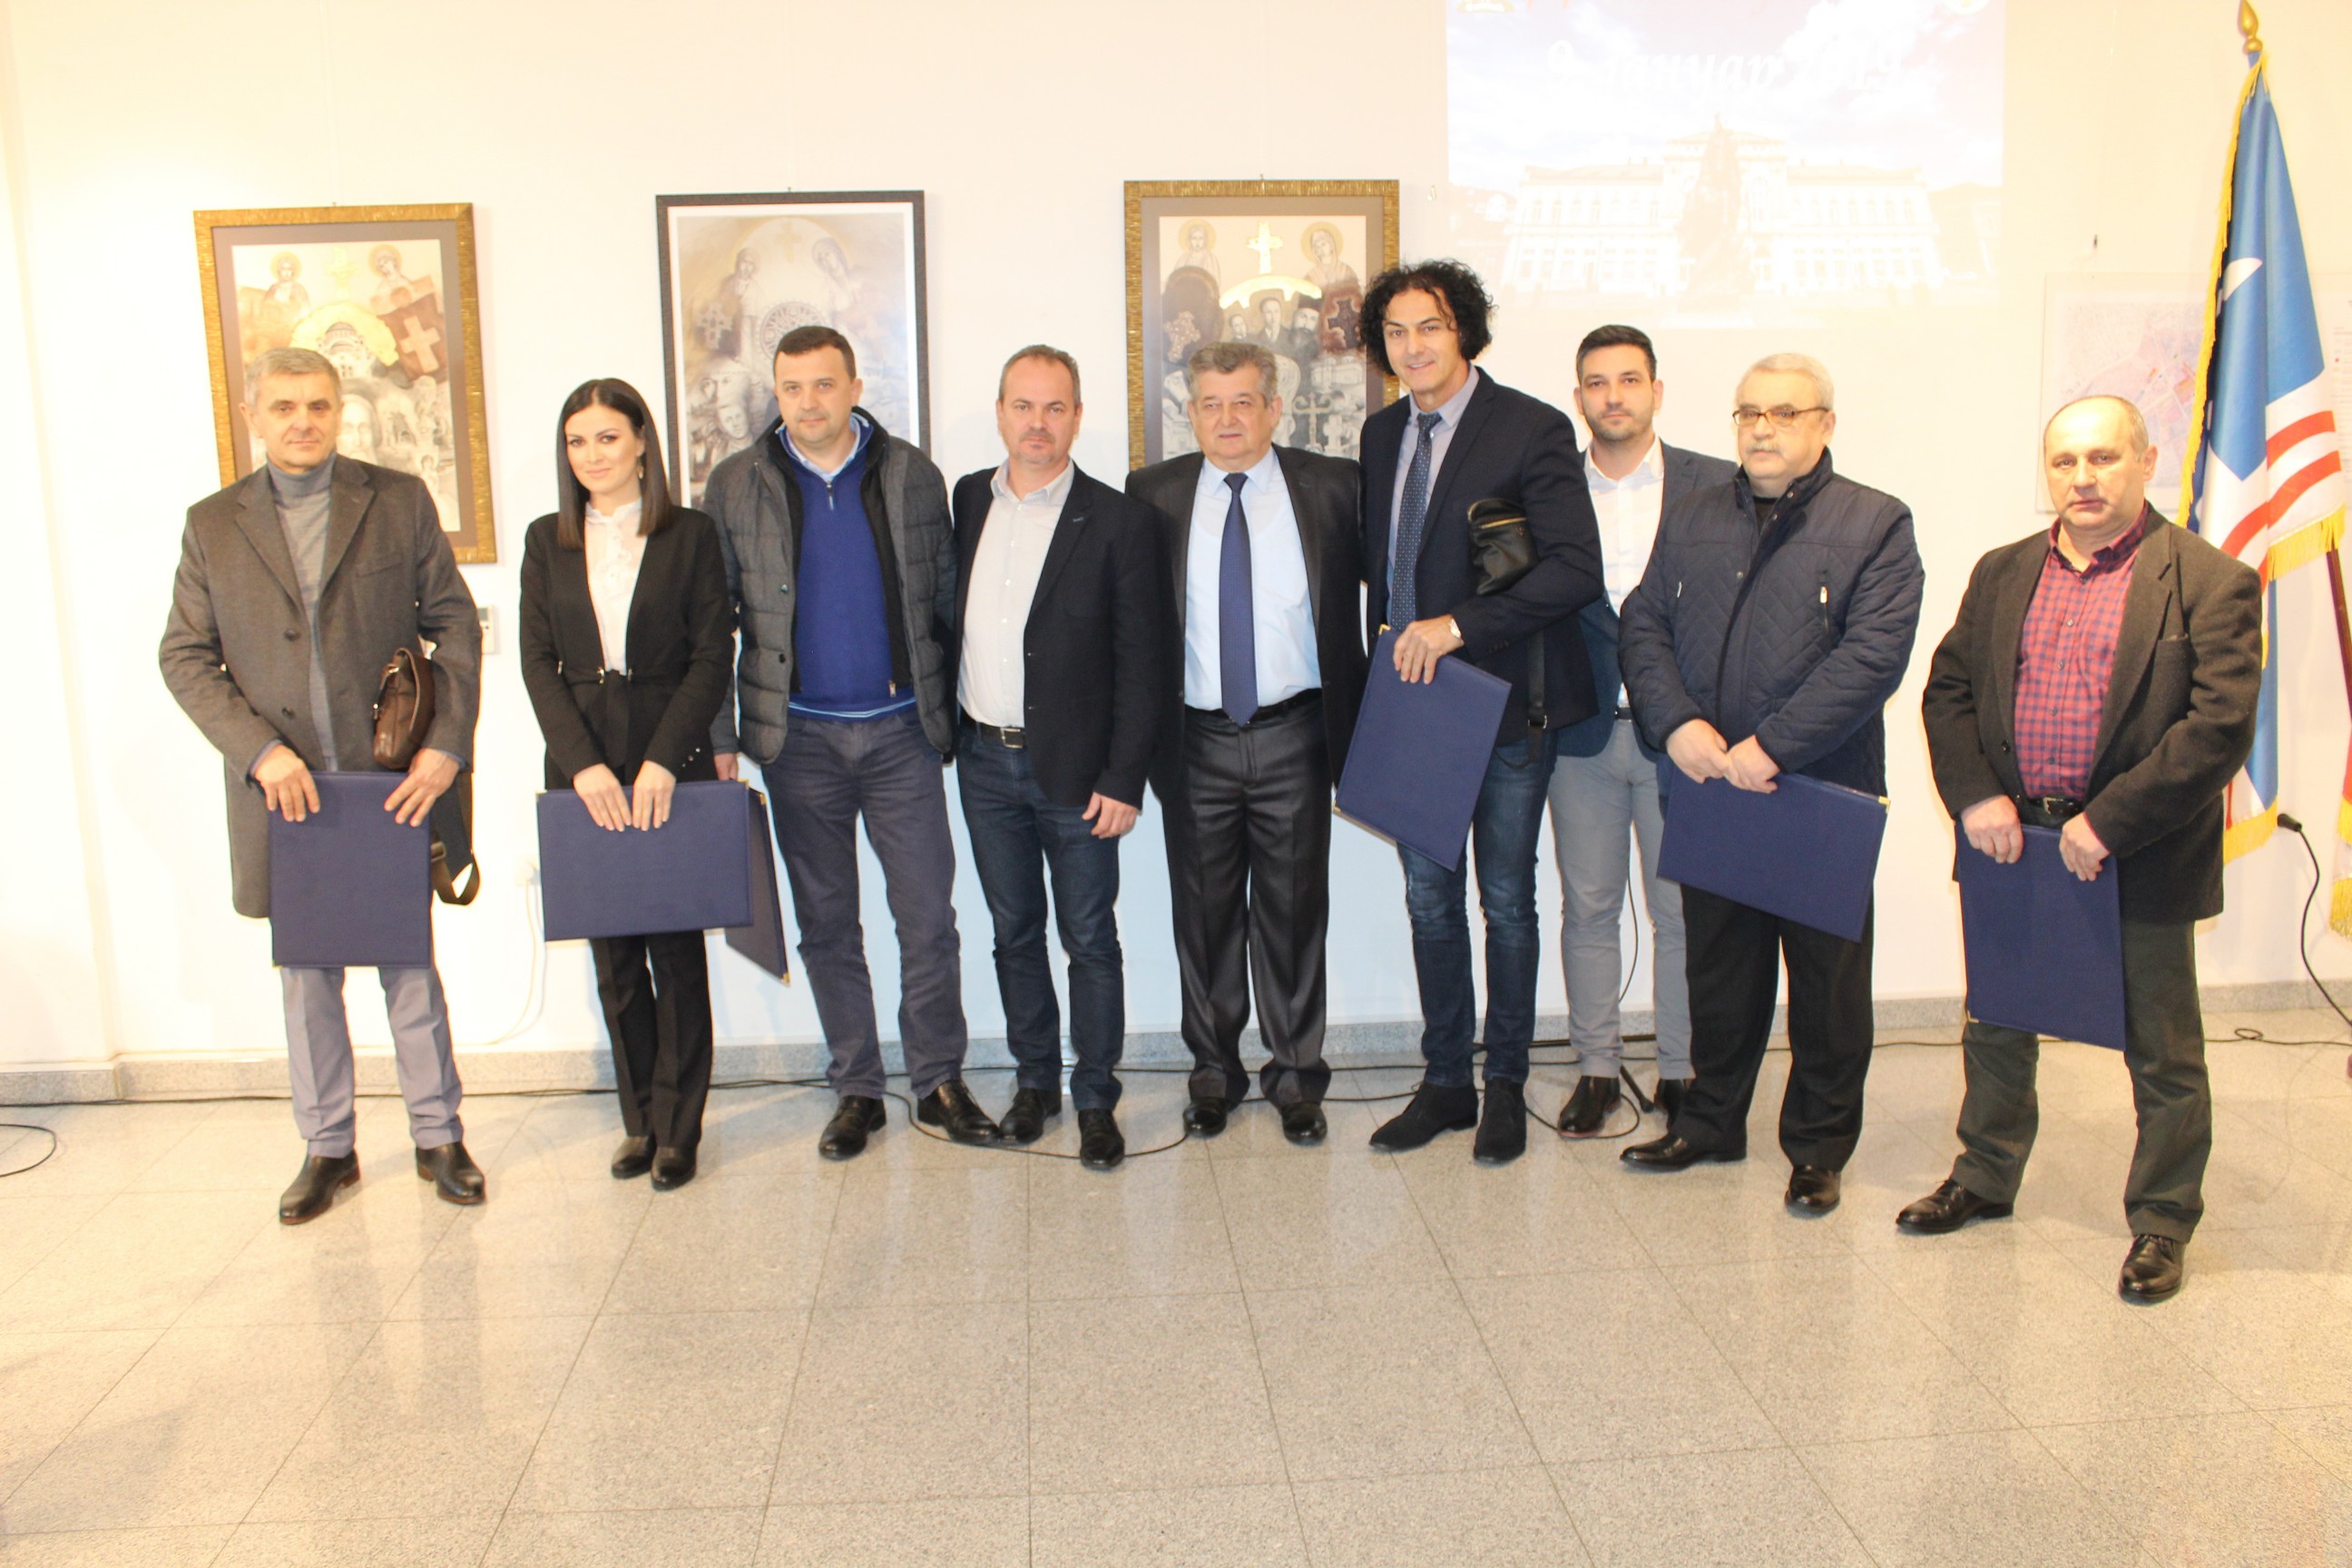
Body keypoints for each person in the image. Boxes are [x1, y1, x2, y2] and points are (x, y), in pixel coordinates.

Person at [1905, 396, 2259, 1301]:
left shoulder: (2209, 579)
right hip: (2013, 842)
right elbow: (1949, 692)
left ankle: (2163, 1219)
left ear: (2146, 461)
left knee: (2163, 1051)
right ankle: (1985, 1176)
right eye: (2065, 462)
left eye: (2103, 458)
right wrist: (1975, 795)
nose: (2083, 478)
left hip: (2137, 848)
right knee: (1997, 1024)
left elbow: (2217, 728)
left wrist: (2109, 823)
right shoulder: (2002, 571)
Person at [160, 346, 484, 1224]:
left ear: (340, 411)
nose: (303, 421)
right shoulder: (212, 525)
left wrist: (446, 746)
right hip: (287, 795)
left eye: (319, 405)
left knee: (408, 966)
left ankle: (440, 1138)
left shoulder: (398, 501)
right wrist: (258, 752)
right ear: (253, 417)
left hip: (389, 783)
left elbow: (455, 625)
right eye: (285, 407)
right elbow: (183, 656)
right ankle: (328, 1148)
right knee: (307, 979)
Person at [1616, 353, 1924, 1216]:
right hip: (1712, 782)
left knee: (1826, 985)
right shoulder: (1694, 514)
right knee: (1720, 973)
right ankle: (1711, 1123)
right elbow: (1644, 622)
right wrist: (1676, 722)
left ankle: (1818, 1150)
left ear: (1825, 425)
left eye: (1785, 413)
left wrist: (1775, 746)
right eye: (1749, 412)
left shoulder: (1876, 521)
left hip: (1819, 793)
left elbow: (1873, 657)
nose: (1762, 428)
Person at [703, 324, 995, 1157]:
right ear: (776, 393)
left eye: (824, 384)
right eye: (792, 388)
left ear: (855, 387)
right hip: (798, 743)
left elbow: (946, 601)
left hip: (902, 735)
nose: (808, 403)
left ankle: (938, 1080)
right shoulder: (736, 484)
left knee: (927, 919)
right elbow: (711, 621)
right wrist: (721, 738)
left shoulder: (910, 474)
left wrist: (955, 712)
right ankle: (858, 1087)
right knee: (828, 924)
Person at [1357, 260, 1605, 1164]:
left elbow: (1574, 569)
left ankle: (1503, 1083)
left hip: (1504, 707)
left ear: (1462, 329)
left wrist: (1457, 626)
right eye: (1395, 332)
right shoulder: (1382, 434)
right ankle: (1445, 1084)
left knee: (1505, 900)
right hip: (1411, 709)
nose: (1412, 346)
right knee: (1429, 902)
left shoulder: (1530, 428)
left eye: (1429, 326)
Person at [1129, 340, 1365, 1143]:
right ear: (1191, 414)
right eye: (1210, 404)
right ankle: (1214, 1073)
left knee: (1294, 914)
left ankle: (1296, 1077)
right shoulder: (1153, 495)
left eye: (1242, 402)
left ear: (1273, 409)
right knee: (1203, 919)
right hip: (1193, 740)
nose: (1227, 419)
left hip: (1296, 733)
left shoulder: (1332, 488)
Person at [518, 378, 734, 1191]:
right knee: (614, 959)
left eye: (607, 437)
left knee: (675, 954)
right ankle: (639, 1120)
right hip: (582, 769)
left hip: (666, 763)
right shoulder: (546, 540)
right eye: (577, 441)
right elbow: (537, 663)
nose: (592, 455)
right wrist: (582, 766)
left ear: (642, 441)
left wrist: (662, 759)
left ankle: (680, 1128)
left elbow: (712, 656)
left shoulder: (691, 535)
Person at [951, 347, 1164, 1169]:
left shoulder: (1118, 521)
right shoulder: (969, 500)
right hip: (983, 760)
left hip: (1079, 775)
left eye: (1054, 407)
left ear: (1076, 416)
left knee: (1090, 939)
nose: (1037, 424)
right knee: (1013, 934)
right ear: (1000, 412)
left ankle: (1097, 1098)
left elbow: (1142, 662)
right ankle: (1035, 1084)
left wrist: (1123, 777)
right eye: (1023, 406)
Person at [1549, 326, 1736, 1136]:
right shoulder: (1550, 487)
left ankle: (1681, 1070)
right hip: (1582, 733)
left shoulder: (1717, 484)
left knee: (1681, 911)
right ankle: (1595, 1067)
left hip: (1684, 736)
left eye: (1629, 380)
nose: (1613, 396)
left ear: (1657, 391)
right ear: (1579, 397)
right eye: (1596, 383)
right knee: (1588, 907)